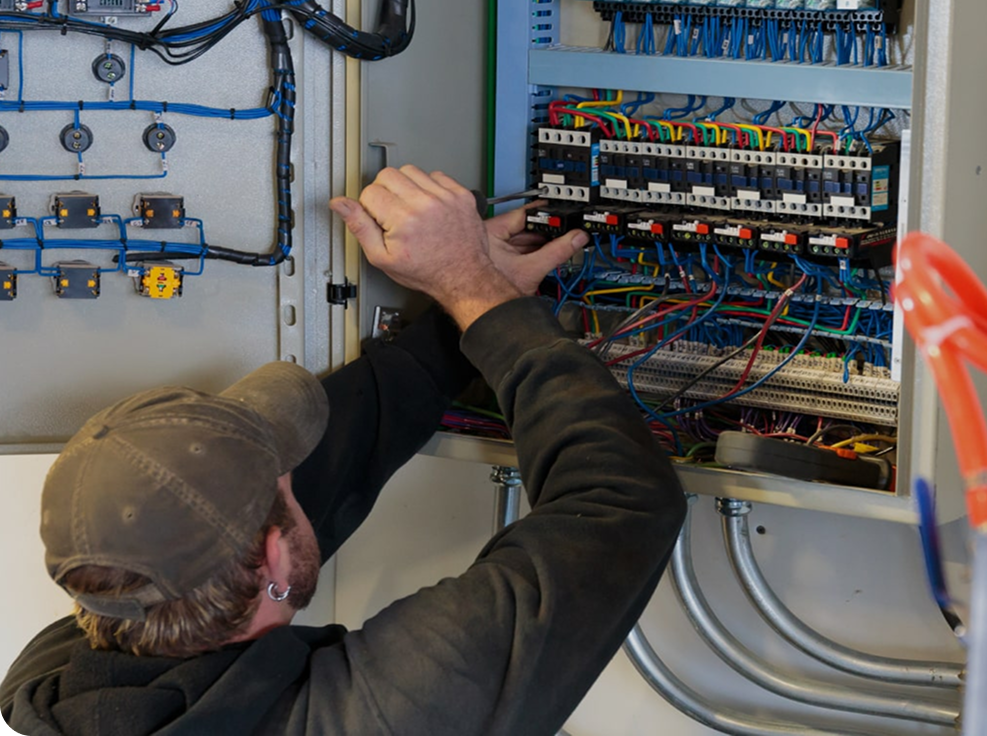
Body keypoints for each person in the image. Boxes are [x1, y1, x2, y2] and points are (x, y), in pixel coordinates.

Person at [0, 166, 688, 736]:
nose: (304, 475)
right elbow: (622, 505)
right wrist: (479, 296)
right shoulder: (376, 717)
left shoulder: (54, 683)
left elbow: (308, 479)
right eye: (285, 477)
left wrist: (467, 299)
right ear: (271, 557)